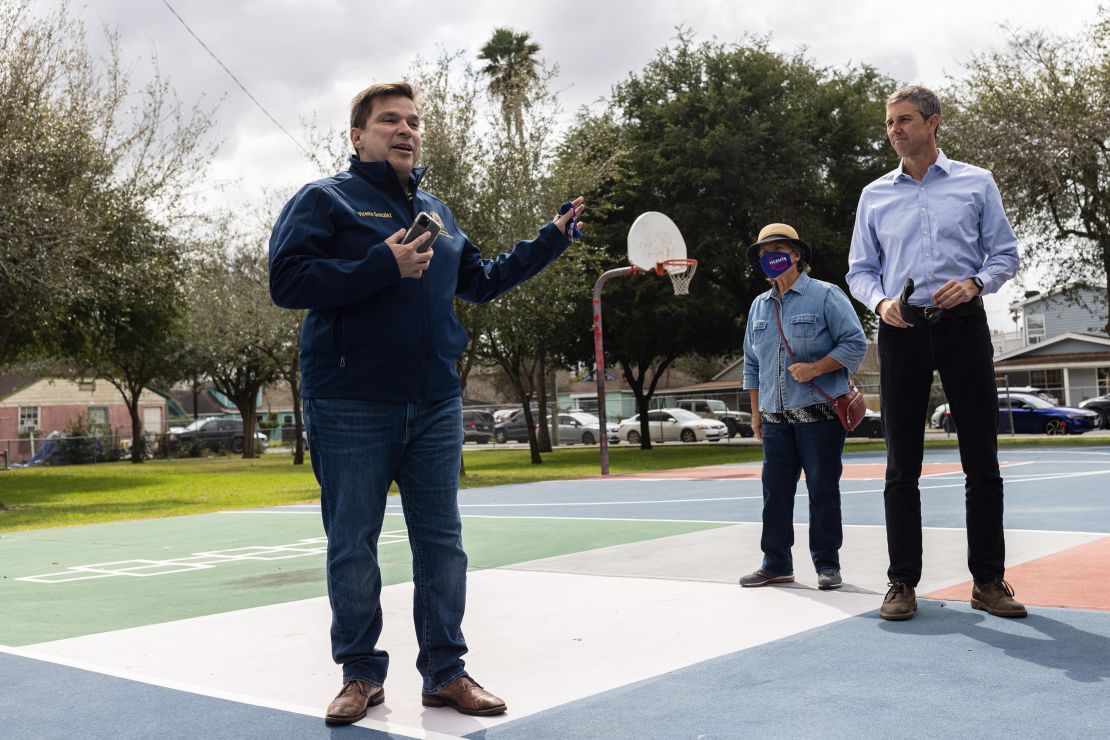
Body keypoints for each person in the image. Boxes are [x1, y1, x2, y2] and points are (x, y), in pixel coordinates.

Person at [268, 82, 585, 724]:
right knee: (352, 543)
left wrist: (550, 238)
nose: (405, 130)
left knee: (442, 543)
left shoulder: (438, 212)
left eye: (413, 121)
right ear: (358, 136)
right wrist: (381, 265)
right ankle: (360, 675)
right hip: (350, 400)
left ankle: (445, 673)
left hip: (436, 403)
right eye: (389, 121)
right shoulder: (324, 200)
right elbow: (287, 280)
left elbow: (483, 282)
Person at [846, 85, 1025, 621]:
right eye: (889, 123)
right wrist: (879, 302)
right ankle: (901, 581)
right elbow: (860, 269)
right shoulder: (874, 194)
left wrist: (975, 282)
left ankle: (988, 581)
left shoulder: (976, 183)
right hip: (901, 329)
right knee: (902, 463)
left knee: (982, 460)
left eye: (904, 120)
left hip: (963, 326)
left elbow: (1005, 253)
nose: (895, 130)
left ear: (933, 123)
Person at [740, 223, 867, 592]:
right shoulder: (758, 307)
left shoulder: (826, 295)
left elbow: (855, 344)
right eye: (763, 252)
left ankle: (827, 564)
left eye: (777, 249)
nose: (769, 256)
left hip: (820, 416)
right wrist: (756, 412)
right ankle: (775, 563)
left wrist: (815, 368)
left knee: (822, 490)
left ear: (796, 254)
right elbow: (752, 364)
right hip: (775, 418)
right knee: (774, 492)